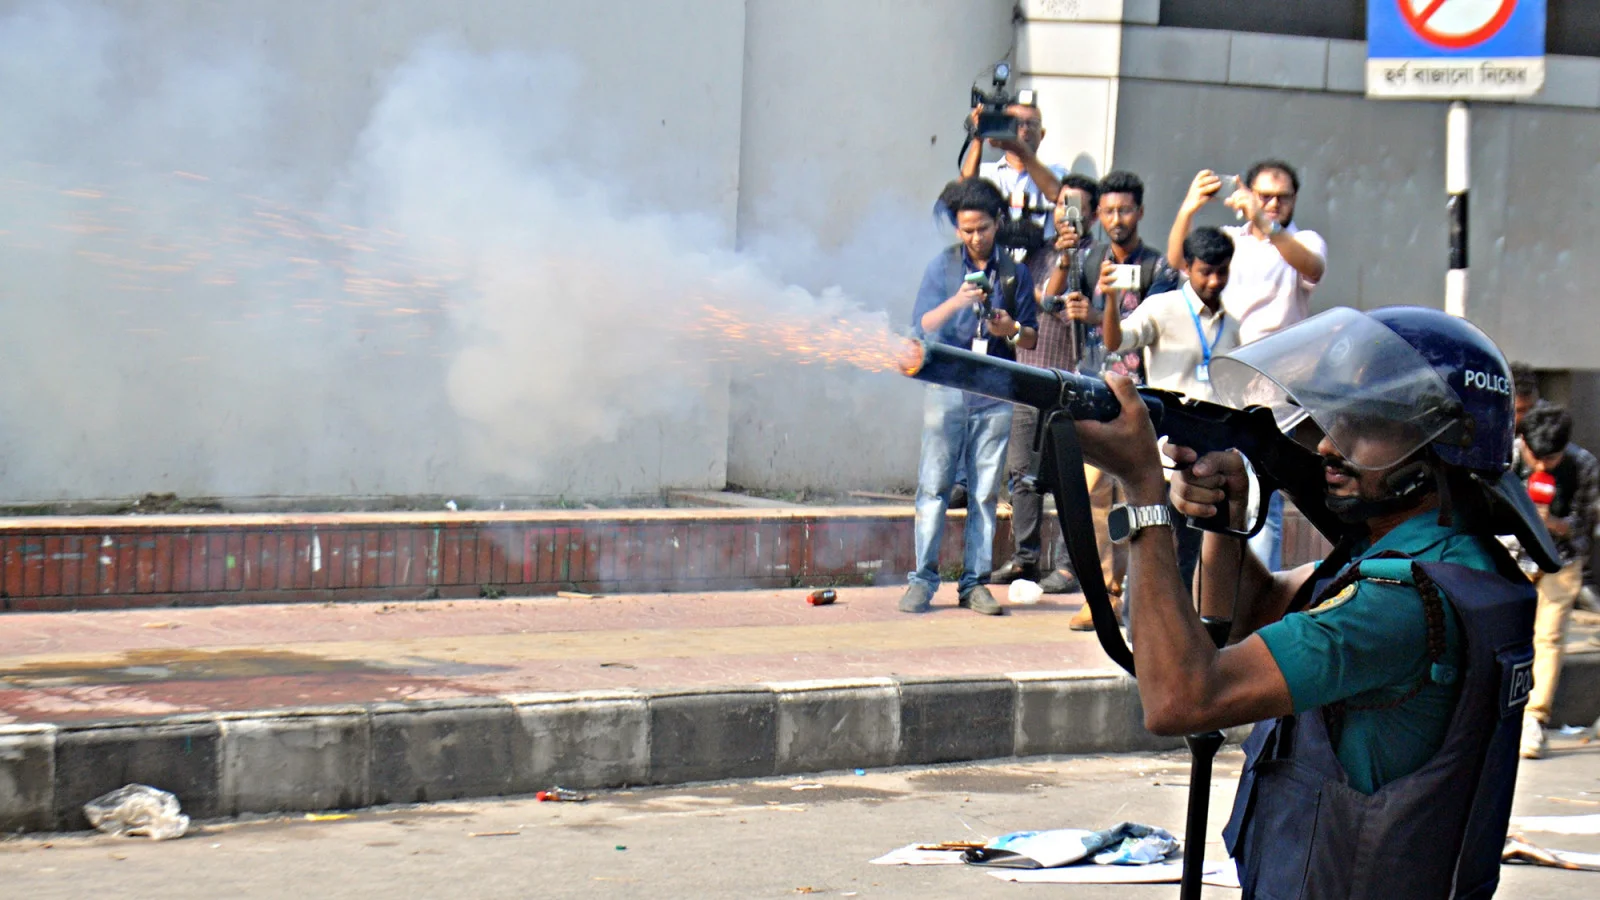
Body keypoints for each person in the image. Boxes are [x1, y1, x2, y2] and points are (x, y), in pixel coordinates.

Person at [1075, 305, 1547, 898]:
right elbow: (1261, 610)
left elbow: (1182, 699)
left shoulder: (1402, 603)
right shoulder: (1442, 560)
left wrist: (1143, 490)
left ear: (1436, 452)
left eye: (1364, 427)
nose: (1327, 445)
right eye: (1332, 422)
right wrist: (1227, 518)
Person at [1167, 160, 1328, 575]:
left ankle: (1256, 603)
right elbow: (1179, 262)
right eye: (1264, 196)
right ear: (1246, 191)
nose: (1273, 204)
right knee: (1212, 485)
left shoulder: (1302, 240)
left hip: (1276, 387)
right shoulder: (1228, 240)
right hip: (1222, 378)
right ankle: (1215, 596)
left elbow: (1312, 268)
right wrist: (1189, 207)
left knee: (1265, 494)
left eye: (1282, 197)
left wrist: (1264, 222)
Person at [902, 178, 1039, 616]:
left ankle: (974, 584)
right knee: (934, 486)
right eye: (966, 230)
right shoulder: (942, 268)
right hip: (945, 388)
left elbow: (1031, 337)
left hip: (995, 393)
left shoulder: (1016, 272)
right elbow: (922, 324)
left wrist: (1010, 330)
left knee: (983, 493)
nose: (975, 237)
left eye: (982, 228)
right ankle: (922, 581)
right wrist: (958, 302)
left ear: (997, 223)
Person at [1057, 170, 1180, 628]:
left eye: (1124, 209)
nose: (1115, 219)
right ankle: (1105, 594)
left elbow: (1162, 325)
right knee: (1092, 497)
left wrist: (1095, 312)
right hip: (1092, 391)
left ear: (1140, 213)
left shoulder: (1158, 269)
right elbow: (1055, 305)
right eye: (1107, 210)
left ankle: (1146, 597)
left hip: (1142, 402)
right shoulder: (1089, 261)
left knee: (1143, 498)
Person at [1094, 226, 1239, 588]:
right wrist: (1111, 300)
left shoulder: (1233, 324)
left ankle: (1184, 636)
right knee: (1155, 549)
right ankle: (1137, 632)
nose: (1215, 280)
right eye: (1207, 271)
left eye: (1223, 271)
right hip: (1164, 453)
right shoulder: (1163, 308)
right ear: (1187, 267)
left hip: (1209, 457)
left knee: (1190, 557)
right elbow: (1115, 340)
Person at [992, 173, 1100, 594]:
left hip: (1073, 382)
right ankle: (1025, 559)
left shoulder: (1097, 257)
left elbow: (1062, 306)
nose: (1066, 216)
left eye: (1075, 208)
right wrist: (1059, 258)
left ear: (1091, 215)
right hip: (1029, 375)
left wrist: (1070, 260)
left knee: (1071, 478)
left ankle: (1072, 566)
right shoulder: (1038, 252)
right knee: (1021, 473)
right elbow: (1039, 301)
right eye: (1060, 206)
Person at [1511, 405, 1599, 759]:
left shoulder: (1583, 465)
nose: (1544, 466)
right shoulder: (1507, 458)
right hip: (1509, 556)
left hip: (1560, 561)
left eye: (1553, 458)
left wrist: (1555, 523)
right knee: (1503, 632)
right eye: (1538, 458)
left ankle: (1534, 717)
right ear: (1524, 444)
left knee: (1548, 636)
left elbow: (1585, 526)